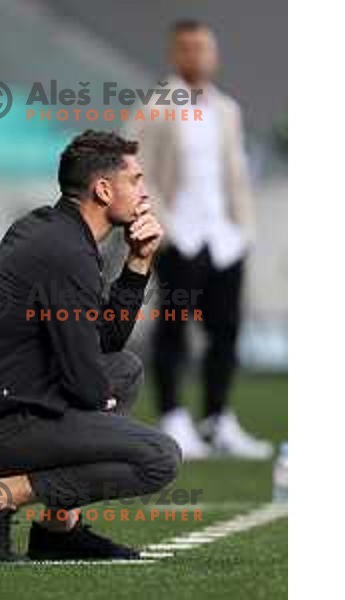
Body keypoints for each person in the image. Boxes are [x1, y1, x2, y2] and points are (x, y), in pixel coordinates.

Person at [0, 130, 180, 562]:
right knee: (159, 458)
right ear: (102, 189)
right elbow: (85, 384)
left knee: (125, 369)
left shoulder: (52, 228)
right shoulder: (65, 253)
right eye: (135, 180)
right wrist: (101, 403)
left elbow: (105, 343)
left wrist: (137, 263)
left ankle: (60, 529)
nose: (145, 191)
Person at [132, 20, 272, 460]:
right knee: (173, 326)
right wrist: (164, 226)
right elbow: (136, 168)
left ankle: (217, 419)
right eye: (187, 48)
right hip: (181, 236)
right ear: (175, 54)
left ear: (214, 55)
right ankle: (173, 417)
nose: (196, 56)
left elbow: (235, 173)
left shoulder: (227, 109)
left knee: (226, 329)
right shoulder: (155, 106)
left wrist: (244, 227)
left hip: (225, 237)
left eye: (203, 48)